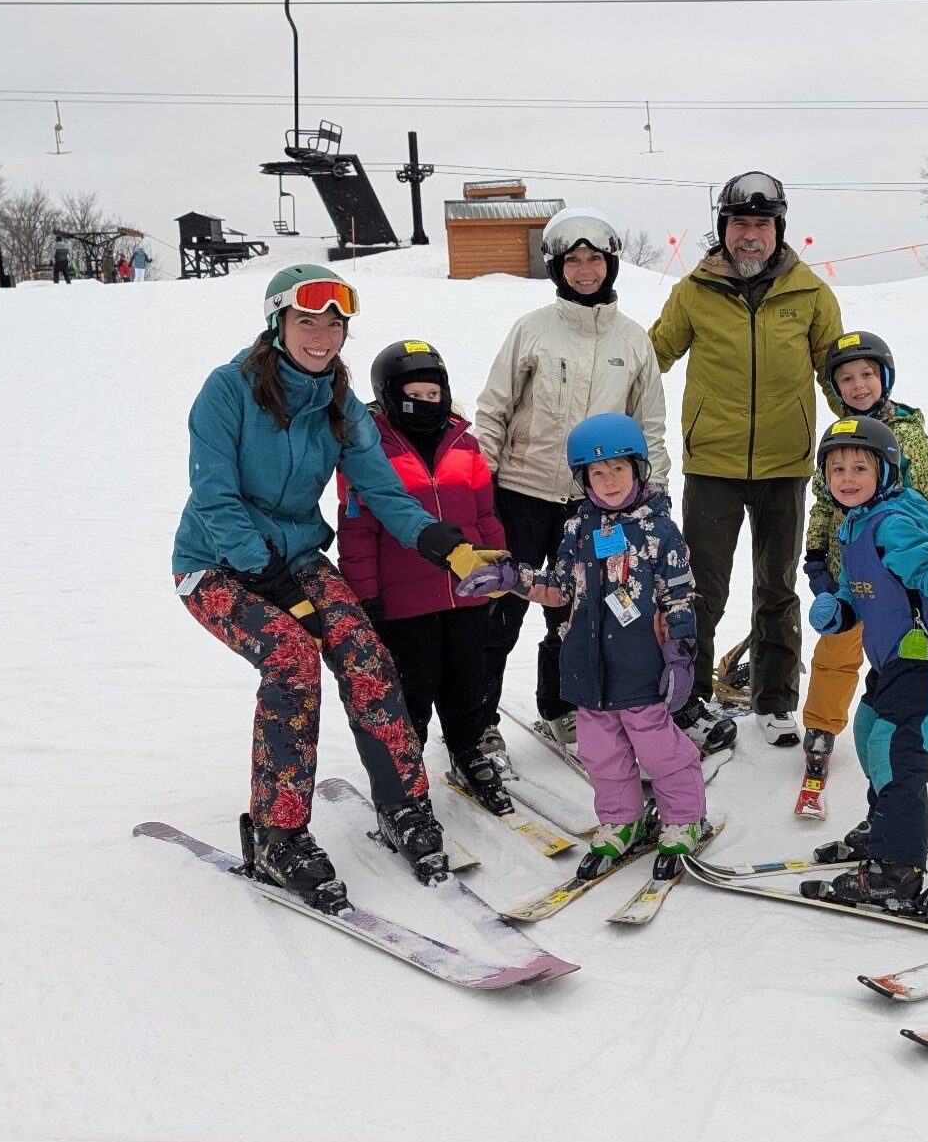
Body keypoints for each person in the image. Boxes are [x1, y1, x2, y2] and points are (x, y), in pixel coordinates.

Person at [171, 265, 505, 906]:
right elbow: (213, 494)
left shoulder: (339, 402)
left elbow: (382, 491)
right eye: (306, 322)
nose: (321, 337)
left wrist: (441, 542)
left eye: (333, 323)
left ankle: (403, 805)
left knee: (366, 653)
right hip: (215, 563)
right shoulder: (227, 391)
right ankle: (278, 835)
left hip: (295, 556)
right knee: (292, 660)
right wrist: (268, 578)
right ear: (277, 323)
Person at [649, 169, 844, 751]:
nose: (750, 236)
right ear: (723, 230)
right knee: (700, 587)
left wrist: (869, 424)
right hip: (712, 463)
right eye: (740, 225)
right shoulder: (694, 290)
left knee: (778, 586)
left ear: (778, 229)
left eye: (761, 224)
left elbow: (836, 370)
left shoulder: (809, 292)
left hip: (786, 465)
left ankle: (776, 699)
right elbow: (652, 355)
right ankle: (692, 697)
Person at [472, 414, 709, 873]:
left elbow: (680, 596)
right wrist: (512, 577)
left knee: (660, 749)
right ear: (583, 479)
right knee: (601, 755)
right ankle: (622, 820)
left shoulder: (660, 532)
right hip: (589, 669)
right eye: (597, 473)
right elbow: (559, 589)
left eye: (618, 469)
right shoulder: (578, 530)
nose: (609, 480)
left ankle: (685, 818)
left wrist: (679, 657)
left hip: (641, 666)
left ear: (638, 469)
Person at [473, 207, 670, 760]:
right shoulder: (532, 330)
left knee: (579, 612)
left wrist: (656, 498)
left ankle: (561, 709)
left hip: (593, 504)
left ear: (610, 265)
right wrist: (479, 481)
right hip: (522, 492)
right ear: (558, 268)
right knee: (502, 608)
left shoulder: (633, 341)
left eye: (595, 259)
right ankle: (479, 720)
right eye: (574, 260)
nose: (586, 270)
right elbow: (494, 410)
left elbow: (648, 426)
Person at [800, 416, 928, 914]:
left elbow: (925, 574)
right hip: (891, 655)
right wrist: (839, 611)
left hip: (919, 658)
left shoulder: (894, 522)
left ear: (887, 471)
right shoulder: (857, 521)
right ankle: (894, 825)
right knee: (869, 731)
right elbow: (866, 590)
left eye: (860, 467)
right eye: (837, 469)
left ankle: (897, 870)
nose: (848, 477)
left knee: (896, 750)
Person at [338, 339, 513, 818]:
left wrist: (499, 569)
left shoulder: (465, 444)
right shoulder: (367, 452)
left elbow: (485, 515)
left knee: (466, 682)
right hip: (404, 604)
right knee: (413, 689)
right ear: (390, 395)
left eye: (433, 393)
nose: (425, 402)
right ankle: (404, 773)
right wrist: (366, 598)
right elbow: (357, 532)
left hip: (467, 594)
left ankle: (467, 750)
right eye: (413, 393)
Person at [801, 330, 928, 782]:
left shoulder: (908, 435)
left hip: (901, 581)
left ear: (885, 377)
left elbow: (925, 500)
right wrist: (818, 555)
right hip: (850, 579)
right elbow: (825, 504)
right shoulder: (837, 440)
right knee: (836, 653)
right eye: (846, 379)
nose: (858, 385)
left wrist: (918, 559)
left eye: (867, 374)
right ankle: (822, 728)